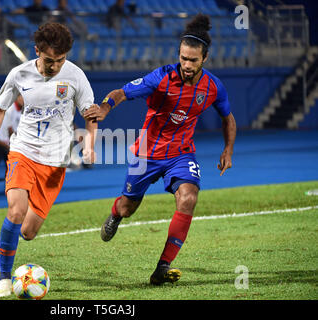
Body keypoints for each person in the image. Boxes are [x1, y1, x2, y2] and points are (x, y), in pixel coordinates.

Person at [84, 14, 237, 285]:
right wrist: (106, 108)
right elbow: (121, 92)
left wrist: (228, 149)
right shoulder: (161, 77)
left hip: (181, 153)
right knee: (127, 207)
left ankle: (162, 267)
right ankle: (115, 214)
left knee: (188, 198)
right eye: (183, 58)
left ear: (205, 58)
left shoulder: (213, 87)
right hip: (147, 153)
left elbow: (228, 118)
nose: (187, 65)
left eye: (193, 60)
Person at [0, 22, 98, 297]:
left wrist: (90, 143)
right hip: (24, 151)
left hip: (55, 163)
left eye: (60, 60)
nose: (54, 66)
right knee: (16, 210)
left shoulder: (76, 76)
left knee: (28, 232)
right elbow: (0, 110)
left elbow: (90, 113)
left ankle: (8, 237)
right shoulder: (19, 74)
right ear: (36, 51)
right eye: (48, 60)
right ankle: (4, 278)